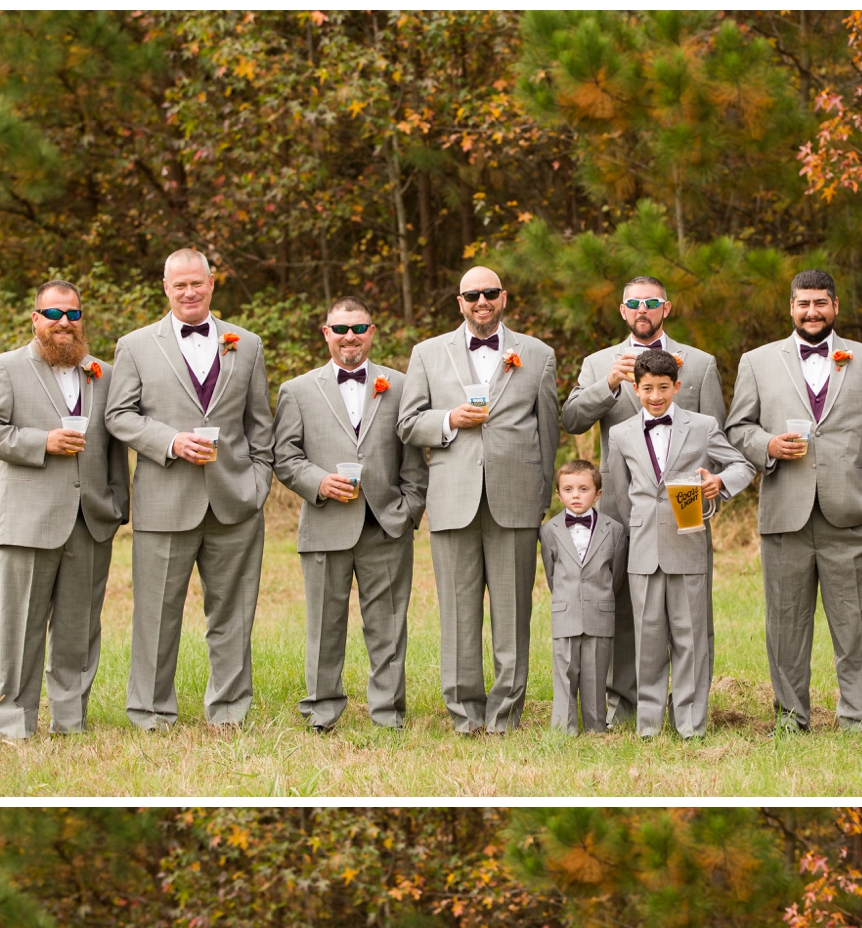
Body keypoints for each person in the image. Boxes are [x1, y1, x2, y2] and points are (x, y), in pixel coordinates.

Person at [105, 248, 274, 731]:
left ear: (212, 283)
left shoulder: (247, 344)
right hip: (165, 501)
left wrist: (257, 485)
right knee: (156, 618)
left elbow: (260, 425)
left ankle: (228, 712)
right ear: (165, 287)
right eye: (179, 285)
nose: (189, 292)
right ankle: (152, 713)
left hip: (234, 502)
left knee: (234, 614)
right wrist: (170, 441)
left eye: (196, 283)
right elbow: (118, 416)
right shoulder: (136, 345)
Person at [726, 269, 862, 735]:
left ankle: (857, 716)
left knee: (857, 623)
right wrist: (768, 446)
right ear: (791, 307)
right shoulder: (758, 361)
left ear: (835, 306)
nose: (811, 312)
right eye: (803, 303)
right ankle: (790, 716)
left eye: (820, 303)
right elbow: (737, 428)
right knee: (785, 623)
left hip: (852, 513)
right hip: (786, 510)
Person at [396, 266, 560, 734]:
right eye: (473, 295)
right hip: (452, 499)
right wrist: (448, 420)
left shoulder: (537, 353)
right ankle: (465, 714)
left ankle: (505, 714)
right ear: (459, 301)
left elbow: (548, 432)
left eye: (490, 293)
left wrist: (540, 496)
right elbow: (407, 425)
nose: (481, 301)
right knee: (457, 612)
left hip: (515, 499)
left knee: (512, 613)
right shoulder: (428, 354)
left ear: (503, 297)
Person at [0, 279, 129, 741]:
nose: (63, 323)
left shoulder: (105, 372)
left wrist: (117, 505)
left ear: (82, 320)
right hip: (28, 519)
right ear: (36, 318)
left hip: (91, 520)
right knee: (21, 628)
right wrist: (43, 442)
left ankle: (70, 721)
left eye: (72, 315)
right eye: (54, 314)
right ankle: (15, 724)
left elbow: (116, 446)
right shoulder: (6, 367)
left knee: (79, 630)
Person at [562, 274, 727, 728]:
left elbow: (717, 441)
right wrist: (608, 387)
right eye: (633, 303)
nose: (642, 310)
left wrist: (712, 491)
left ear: (666, 308)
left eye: (651, 303)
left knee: (688, 613)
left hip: (682, 511)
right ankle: (626, 704)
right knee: (624, 609)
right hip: (618, 505)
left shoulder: (700, 362)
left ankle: (687, 708)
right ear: (621, 310)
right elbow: (572, 419)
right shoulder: (599, 363)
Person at [272, 296, 427, 732]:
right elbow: (284, 456)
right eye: (340, 329)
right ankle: (322, 711)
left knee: (389, 626)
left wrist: (409, 509)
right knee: (324, 626)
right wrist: (318, 482)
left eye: (358, 327)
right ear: (326, 333)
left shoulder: (401, 385)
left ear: (372, 331)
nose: (350, 337)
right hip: (324, 525)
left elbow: (415, 457)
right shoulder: (297, 390)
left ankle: (388, 713)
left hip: (386, 524)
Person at [610, 350, 755, 738]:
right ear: (635, 389)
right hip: (643, 547)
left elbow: (742, 466)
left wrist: (719, 483)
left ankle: (691, 722)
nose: (655, 396)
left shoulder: (703, 426)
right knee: (648, 637)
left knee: (690, 636)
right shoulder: (620, 433)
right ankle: (649, 724)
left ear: (676, 387)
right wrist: (635, 528)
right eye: (647, 389)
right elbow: (621, 495)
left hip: (689, 541)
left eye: (663, 388)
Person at [539, 459, 626, 735]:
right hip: (565, 612)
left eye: (583, 489)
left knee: (596, 674)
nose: (575, 495)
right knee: (564, 672)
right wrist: (569, 598)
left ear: (598, 494)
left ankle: (596, 727)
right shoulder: (549, 531)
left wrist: (599, 598)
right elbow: (552, 574)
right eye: (568, 489)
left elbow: (617, 574)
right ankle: (563, 729)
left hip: (599, 612)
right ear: (559, 494)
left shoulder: (614, 530)